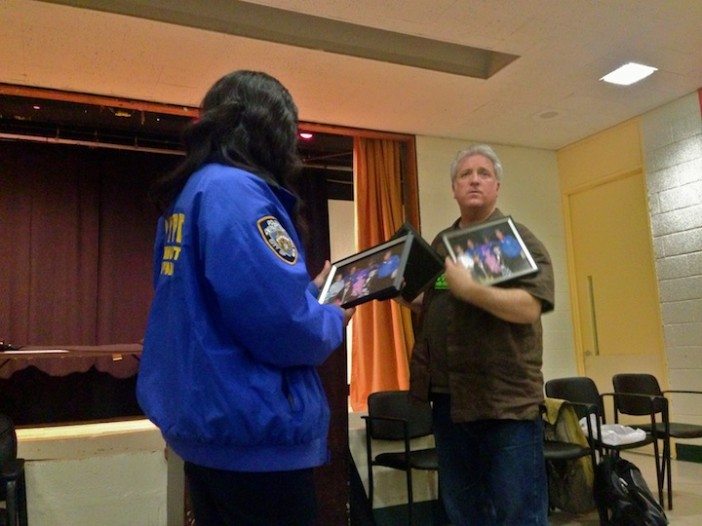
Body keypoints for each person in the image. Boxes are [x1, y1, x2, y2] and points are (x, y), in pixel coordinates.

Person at [136, 70, 354, 526]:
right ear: (270, 128)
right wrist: (332, 316)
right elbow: (285, 331)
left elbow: (221, 302)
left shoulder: (192, 191)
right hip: (252, 434)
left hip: (214, 427)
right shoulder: (239, 193)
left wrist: (309, 292)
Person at [407, 144, 554, 525]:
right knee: (465, 514)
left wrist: (472, 290)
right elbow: (440, 301)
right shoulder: (441, 244)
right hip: (449, 401)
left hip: (505, 403)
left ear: (497, 186)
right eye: (464, 174)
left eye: (483, 173)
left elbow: (529, 306)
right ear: (454, 189)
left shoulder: (517, 239)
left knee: (517, 514)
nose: (474, 179)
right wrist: (411, 298)